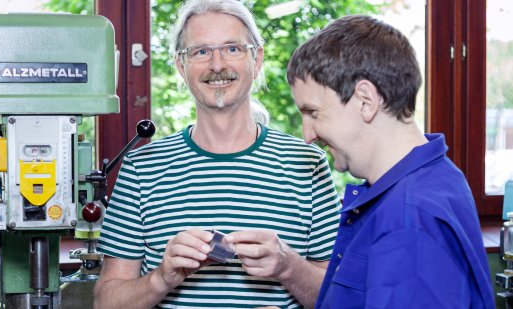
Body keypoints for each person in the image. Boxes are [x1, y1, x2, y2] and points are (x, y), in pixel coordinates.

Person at [93, 0, 342, 308]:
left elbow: (341, 298)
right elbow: (106, 302)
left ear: (257, 58)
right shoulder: (142, 168)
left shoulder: (307, 163)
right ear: (180, 66)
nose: (217, 65)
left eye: (232, 49)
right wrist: (162, 278)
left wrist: (289, 266)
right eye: (201, 51)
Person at [286, 15, 495, 308]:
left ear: (365, 100)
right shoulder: (433, 178)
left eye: (313, 113)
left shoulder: (410, 219)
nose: (307, 135)